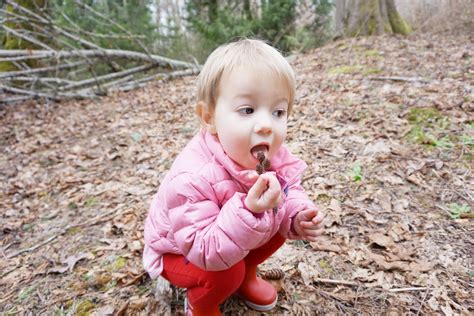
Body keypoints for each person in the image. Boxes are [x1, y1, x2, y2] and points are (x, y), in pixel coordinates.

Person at [143, 38, 325, 316]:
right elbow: (203, 250)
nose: (266, 125)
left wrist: (297, 215)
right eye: (247, 110)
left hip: (226, 241)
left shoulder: (269, 156)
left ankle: (247, 276)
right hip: (180, 253)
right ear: (209, 117)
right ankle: (201, 305)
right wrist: (250, 210)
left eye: (278, 112)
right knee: (227, 273)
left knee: (275, 219)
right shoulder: (192, 176)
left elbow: (291, 190)